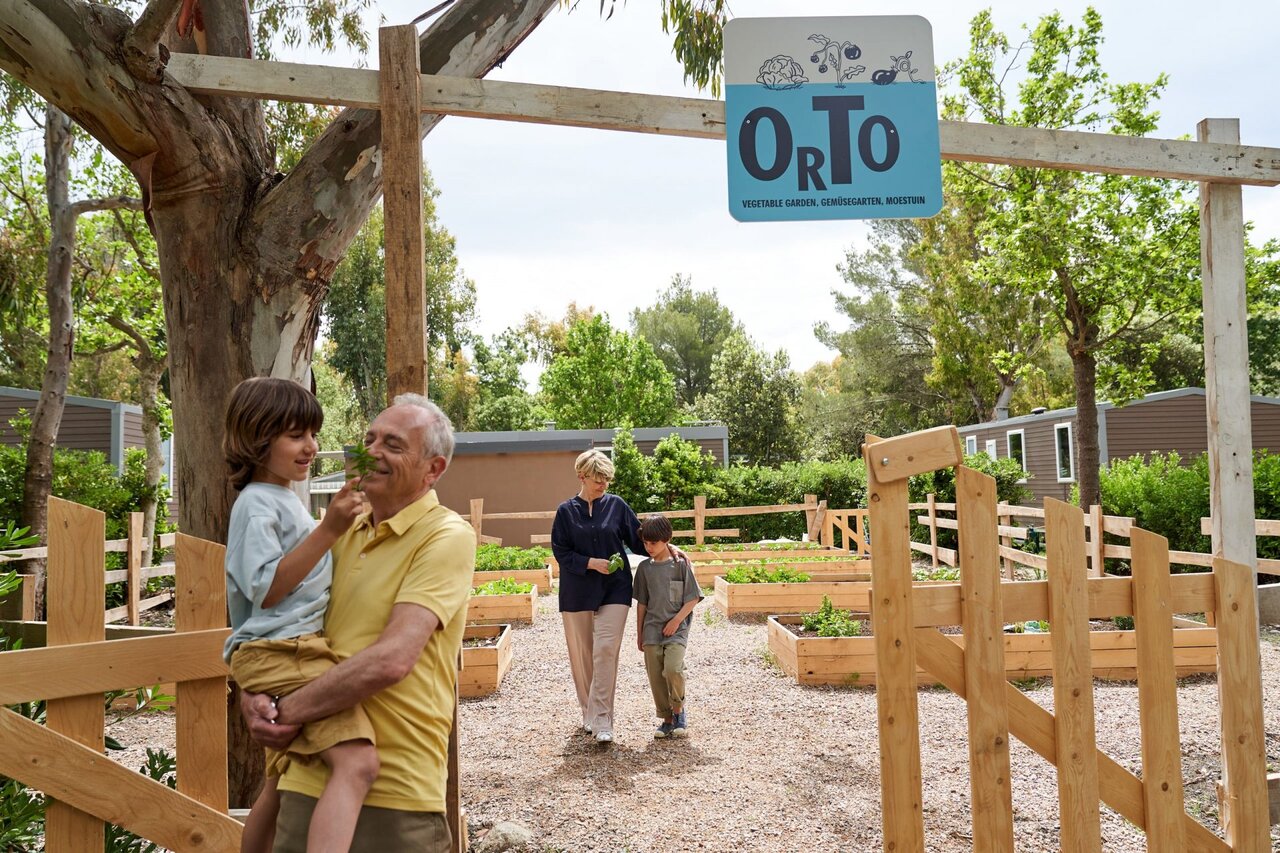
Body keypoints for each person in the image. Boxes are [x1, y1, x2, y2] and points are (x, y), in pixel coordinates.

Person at [241, 394, 476, 853]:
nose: (374, 451)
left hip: (395, 790)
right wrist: (254, 695)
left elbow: (392, 659)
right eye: (368, 439)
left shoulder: (446, 536)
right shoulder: (336, 530)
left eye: (393, 443)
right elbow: (280, 625)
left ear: (434, 469)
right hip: (306, 774)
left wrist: (285, 712)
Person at [222, 377, 376, 853]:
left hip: (285, 648)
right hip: (282, 649)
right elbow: (267, 588)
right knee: (357, 764)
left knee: (279, 779)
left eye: (313, 434)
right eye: (295, 435)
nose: (311, 446)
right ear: (256, 439)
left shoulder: (284, 496)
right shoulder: (255, 504)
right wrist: (329, 528)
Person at [552, 449, 675, 743]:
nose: (604, 485)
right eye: (598, 480)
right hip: (577, 592)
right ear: (582, 476)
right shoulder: (565, 512)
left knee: (606, 649)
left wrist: (669, 549)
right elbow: (561, 551)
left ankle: (604, 719)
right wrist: (590, 563)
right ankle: (589, 713)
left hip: (615, 589)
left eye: (607, 480)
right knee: (582, 657)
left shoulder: (617, 506)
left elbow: (640, 539)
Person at [632, 514, 703, 739]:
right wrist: (639, 633)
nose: (649, 547)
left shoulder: (680, 565)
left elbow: (693, 598)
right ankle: (666, 719)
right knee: (655, 674)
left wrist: (676, 621)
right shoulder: (644, 569)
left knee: (673, 669)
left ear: (667, 539)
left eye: (653, 543)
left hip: (677, 627)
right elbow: (642, 603)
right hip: (652, 628)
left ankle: (679, 711)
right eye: (645, 543)